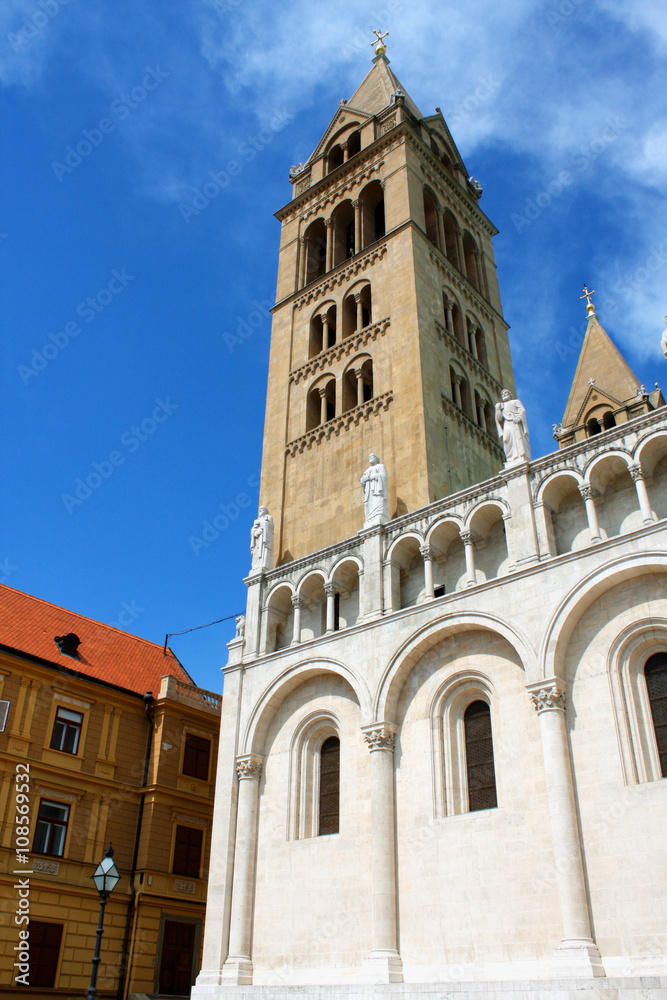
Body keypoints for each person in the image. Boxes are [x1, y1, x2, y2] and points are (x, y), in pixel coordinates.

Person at [495, 389, 530, 465]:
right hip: (507, 424)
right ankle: (510, 458)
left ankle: (518, 456)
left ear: (510, 395)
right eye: (502, 394)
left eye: (506, 393)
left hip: (515, 422)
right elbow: (499, 418)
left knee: (517, 438)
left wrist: (519, 417)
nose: (504, 395)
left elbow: (522, 410)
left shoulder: (515, 402)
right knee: (506, 440)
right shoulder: (501, 405)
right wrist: (498, 409)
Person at [360, 453, 389, 527]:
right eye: (369, 457)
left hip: (377, 491)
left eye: (373, 456)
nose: (371, 457)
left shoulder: (380, 466)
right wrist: (363, 479)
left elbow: (384, 477)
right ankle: (369, 519)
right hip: (369, 493)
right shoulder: (367, 470)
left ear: (377, 459)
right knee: (367, 505)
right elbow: (362, 481)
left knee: (377, 501)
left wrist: (374, 476)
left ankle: (378, 516)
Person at [250, 505, 274, 571]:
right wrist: (256, 531)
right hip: (258, 540)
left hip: (265, 539)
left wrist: (261, 522)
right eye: (259, 509)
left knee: (265, 551)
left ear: (266, 510)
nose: (260, 511)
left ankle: (264, 565)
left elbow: (270, 527)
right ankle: (256, 566)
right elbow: (253, 530)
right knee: (256, 553)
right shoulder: (256, 520)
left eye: (262, 509)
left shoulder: (268, 517)